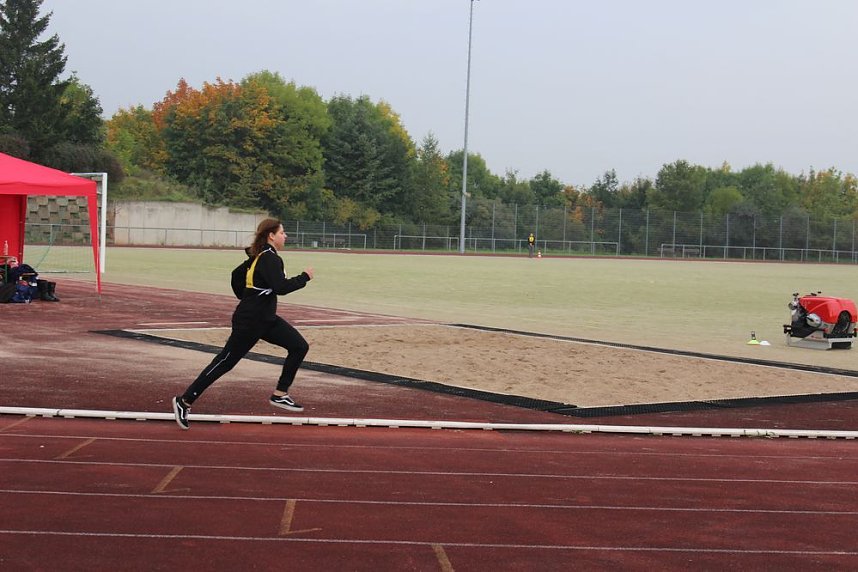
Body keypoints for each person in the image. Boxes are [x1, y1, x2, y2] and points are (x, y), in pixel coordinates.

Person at [172, 218, 314, 430]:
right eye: (282, 233)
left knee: (299, 346)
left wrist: (247, 296)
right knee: (225, 362)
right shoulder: (269, 258)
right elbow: (280, 287)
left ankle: (280, 394)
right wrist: (304, 277)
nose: (286, 236)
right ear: (271, 236)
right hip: (250, 321)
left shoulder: (262, 256)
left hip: (265, 319)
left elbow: (236, 276)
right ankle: (184, 401)